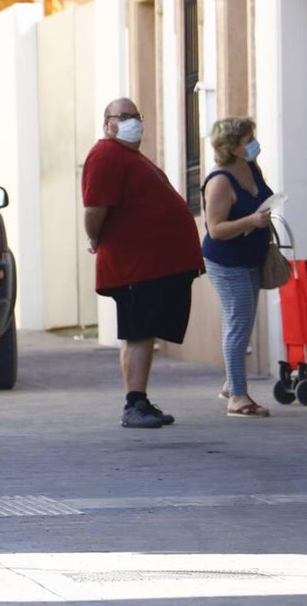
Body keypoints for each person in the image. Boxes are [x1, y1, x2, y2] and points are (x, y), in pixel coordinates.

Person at [82, 98, 204, 429]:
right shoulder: (105, 154)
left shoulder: (130, 157)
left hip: (152, 265)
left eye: (137, 115)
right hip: (135, 265)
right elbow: (94, 209)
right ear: (107, 123)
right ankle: (133, 404)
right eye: (124, 116)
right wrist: (95, 238)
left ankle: (141, 399)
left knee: (145, 333)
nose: (133, 121)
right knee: (137, 334)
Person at [202, 117, 274, 418]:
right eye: (248, 140)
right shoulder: (219, 181)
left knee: (243, 323)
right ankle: (238, 397)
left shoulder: (251, 168)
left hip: (251, 257)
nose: (254, 143)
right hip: (227, 261)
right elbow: (216, 229)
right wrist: (251, 222)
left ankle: (232, 384)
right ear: (232, 147)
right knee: (238, 324)